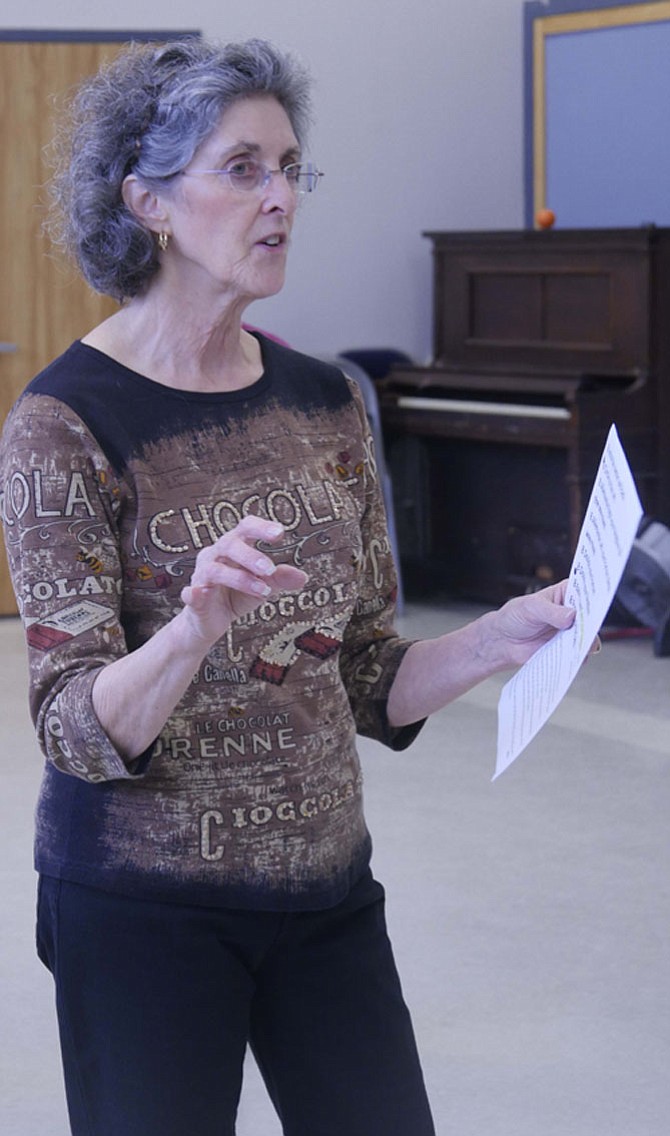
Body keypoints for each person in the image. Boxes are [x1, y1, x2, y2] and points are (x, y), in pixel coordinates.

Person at [0, 37, 578, 1136]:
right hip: (141, 904)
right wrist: (189, 629)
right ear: (148, 202)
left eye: (289, 167)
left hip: (325, 891)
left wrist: (499, 639)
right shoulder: (63, 423)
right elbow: (74, 727)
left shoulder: (325, 400)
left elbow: (365, 674)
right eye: (242, 168)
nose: (280, 199)